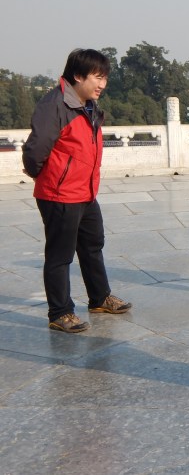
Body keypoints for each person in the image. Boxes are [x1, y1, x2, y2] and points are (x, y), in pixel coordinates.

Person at [22, 48, 132, 333]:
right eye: (98, 77)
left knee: (93, 245)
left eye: (105, 78)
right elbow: (35, 151)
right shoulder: (56, 104)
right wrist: (47, 177)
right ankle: (60, 312)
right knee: (60, 255)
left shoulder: (88, 103)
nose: (102, 84)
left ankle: (99, 297)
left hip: (85, 192)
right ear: (78, 75)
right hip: (60, 194)